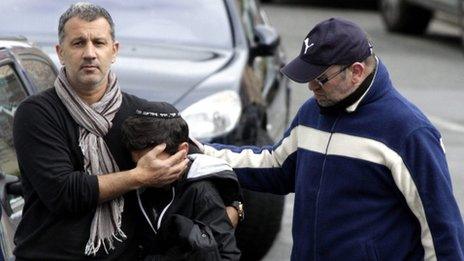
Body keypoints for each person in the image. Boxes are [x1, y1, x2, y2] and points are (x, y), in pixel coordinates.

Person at [197, 17, 464, 260]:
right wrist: (199, 154)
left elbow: (441, 228)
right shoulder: (312, 113)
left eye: (320, 79)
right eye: (307, 77)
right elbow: (275, 165)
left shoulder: (409, 132)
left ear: (356, 71)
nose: (311, 87)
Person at [12, 3, 191, 260]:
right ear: (60, 52)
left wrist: (233, 204)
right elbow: (64, 192)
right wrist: (139, 176)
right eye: (78, 43)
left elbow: (194, 160)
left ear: (114, 50)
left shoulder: (141, 114)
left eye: (99, 42)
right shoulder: (36, 113)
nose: (89, 53)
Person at [121, 101, 241, 260]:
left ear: (182, 151)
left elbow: (227, 256)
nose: (144, 173)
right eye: (138, 164)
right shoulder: (134, 183)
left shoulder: (202, 193)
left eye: (153, 163)